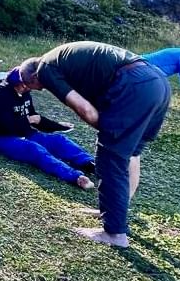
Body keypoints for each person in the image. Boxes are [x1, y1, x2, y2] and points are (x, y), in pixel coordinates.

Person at [18, 42, 171, 249]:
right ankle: (114, 212)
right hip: (157, 81)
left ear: (33, 78)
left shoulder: (44, 70)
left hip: (134, 86)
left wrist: (110, 131)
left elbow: (85, 110)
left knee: (111, 156)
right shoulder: (59, 58)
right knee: (131, 152)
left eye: (35, 87)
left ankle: (115, 233)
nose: (40, 89)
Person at [0, 67, 96, 190]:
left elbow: (34, 117)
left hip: (27, 133)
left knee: (58, 140)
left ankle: (89, 164)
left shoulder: (25, 94)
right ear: (21, 84)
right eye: (26, 85)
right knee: (35, 149)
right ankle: (75, 177)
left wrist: (58, 125)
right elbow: (1, 125)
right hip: (3, 138)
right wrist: (27, 120)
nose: (29, 88)